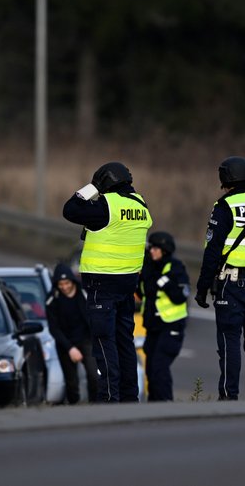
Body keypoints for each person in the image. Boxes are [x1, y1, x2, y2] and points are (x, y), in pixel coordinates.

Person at [63, 161, 152, 403]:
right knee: (125, 342)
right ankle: (129, 396)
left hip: (103, 285)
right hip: (127, 284)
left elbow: (70, 210)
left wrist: (91, 188)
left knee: (103, 342)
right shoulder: (141, 205)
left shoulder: (106, 206)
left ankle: (110, 398)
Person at [194, 156, 245, 400]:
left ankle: (229, 396)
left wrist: (202, 287)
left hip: (231, 284)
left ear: (224, 178)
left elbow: (212, 252)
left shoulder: (224, 206)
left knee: (230, 340)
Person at [137, 231, 189, 401]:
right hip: (152, 326)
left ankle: (166, 404)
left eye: (156, 248)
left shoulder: (175, 268)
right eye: (150, 248)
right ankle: (154, 407)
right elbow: (140, 292)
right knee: (151, 369)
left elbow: (181, 295)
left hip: (171, 326)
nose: (152, 251)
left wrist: (166, 283)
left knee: (160, 367)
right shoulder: (147, 268)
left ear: (165, 250)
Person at [46, 263, 99, 404]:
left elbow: (94, 316)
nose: (64, 287)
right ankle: (74, 407)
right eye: (61, 284)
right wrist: (70, 348)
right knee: (71, 382)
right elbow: (54, 328)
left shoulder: (84, 293)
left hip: (86, 339)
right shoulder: (52, 299)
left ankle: (95, 405)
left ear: (72, 281)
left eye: (67, 283)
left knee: (94, 374)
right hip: (65, 343)